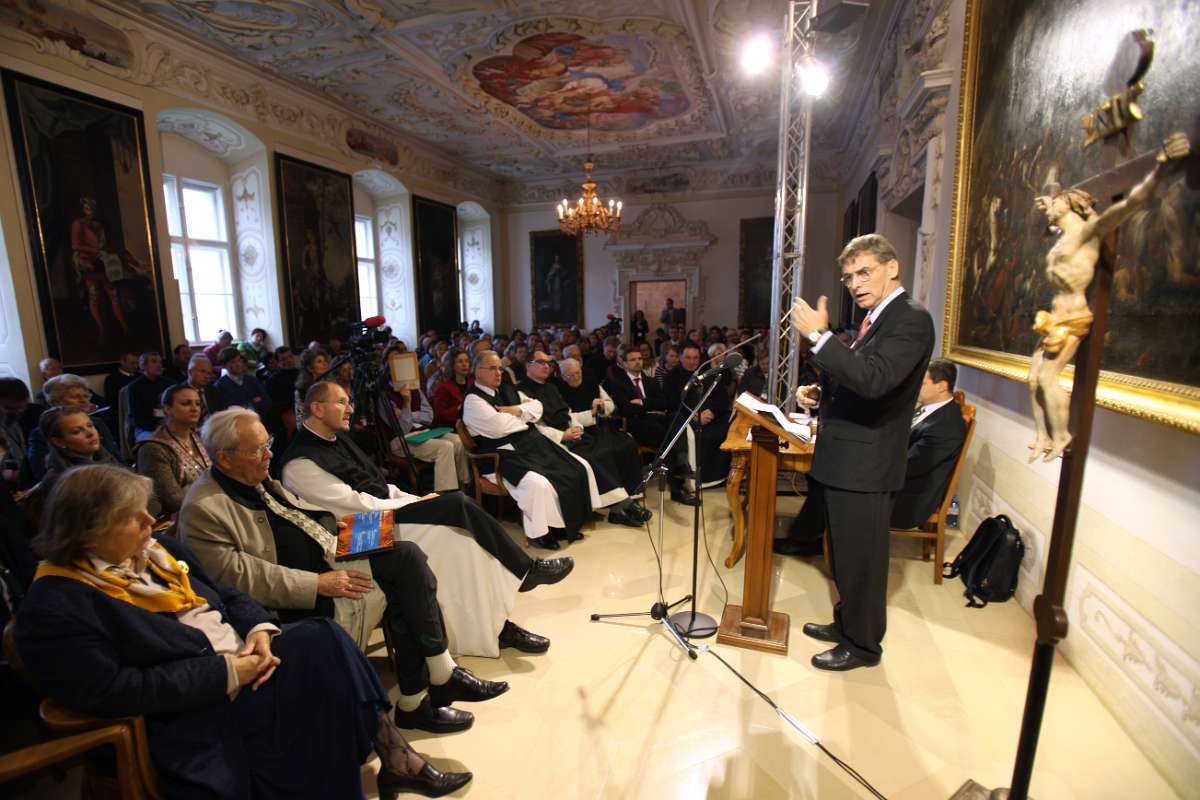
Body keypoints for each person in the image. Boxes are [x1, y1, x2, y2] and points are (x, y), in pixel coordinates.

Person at [17, 464, 471, 798]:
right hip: (197, 707)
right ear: (88, 532)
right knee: (327, 662)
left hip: (244, 659)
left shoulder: (155, 552)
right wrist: (229, 672)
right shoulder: (57, 606)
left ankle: (394, 757)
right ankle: (394, 757)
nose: (149, 524)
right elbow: (117, 691)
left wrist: (258, 629)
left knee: (324, 639)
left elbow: (227, 594)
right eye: (132, 518)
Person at [178, 410, 511, 734]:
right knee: (404, 575)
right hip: (305, 583)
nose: (269, 455)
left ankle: (432, 681)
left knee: (411, 550)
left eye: (269, 444)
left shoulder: (254, 476)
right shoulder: (204, 508)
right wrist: (316, 583)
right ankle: (424, 692)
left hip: (330, 546)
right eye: (257, 450)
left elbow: (295, 515)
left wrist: (334, 529)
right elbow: (238, 577)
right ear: (224, 459)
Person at [279, 387, 570, 656]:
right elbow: (351, 505)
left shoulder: (338, 439)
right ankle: (523, 572)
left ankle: (496, 625)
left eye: (349, 401)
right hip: (350, 537)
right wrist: (414, 504)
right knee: (456, 505)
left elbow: (377, 486)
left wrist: (413, 498)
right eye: (342, 402)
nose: (351, 409)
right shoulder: (300, 463)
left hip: (373, 518)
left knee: (464, 539)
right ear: (317, 408)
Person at [789, 232, 935, 671]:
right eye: (849, 277)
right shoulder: (877, 318)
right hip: (847, 459)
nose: (855, 284)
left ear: (893, 268)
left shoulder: (910, 319)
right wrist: (822, 392)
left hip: (867, 464)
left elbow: (875, 380)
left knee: (862, 562)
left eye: (864, 272)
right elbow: (860, 377)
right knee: (845, 555)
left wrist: (820, 338)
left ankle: (863, 645)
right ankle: (846, 624)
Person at [777, 358, 967, 553]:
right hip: (895, 479)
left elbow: (911, 466)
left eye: (922, 382)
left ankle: (805, 541)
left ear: (942, 386)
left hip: (906, 498)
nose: (915, 386)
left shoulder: (946, 426)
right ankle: (816, 534)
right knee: (827, 472)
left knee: (835, 479)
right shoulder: (928, 408)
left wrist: (865, 461)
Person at [462, 351, 593, 550]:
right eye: (492, 368)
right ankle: (541, 533)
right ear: (478, 371)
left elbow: (538, 406)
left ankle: (561, 524)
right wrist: (526, 419)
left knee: (572, 468)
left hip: (527, 446)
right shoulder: (473, 400)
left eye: (500, 368)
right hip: (500, 456)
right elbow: (498, 427)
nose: (498, 373)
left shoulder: (506, 390)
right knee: (539, 483)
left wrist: (519, 410)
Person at [519, 354, 649, 527]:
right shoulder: (521, 391)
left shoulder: (551, 387)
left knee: (604, 450)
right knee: (593, 457)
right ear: (528, 366)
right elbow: (535, 427)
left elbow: (567, 413)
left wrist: (577, 427)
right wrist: (562, 435)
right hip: (552, 442)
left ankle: (619, 508)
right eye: (540, 362)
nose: (546, 366)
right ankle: (626, 505)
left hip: (573, 434)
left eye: (548, 363)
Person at [25, 374, 122, 481]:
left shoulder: (97, 423)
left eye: (85, 396)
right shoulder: (40, 434)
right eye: (76, 397)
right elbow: (41, 473)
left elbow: (117, 457)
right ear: (56, 402)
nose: (84, 401)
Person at [663, 342, 732, 490]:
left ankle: (724, 476)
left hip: (711, 416)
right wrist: (695, 415)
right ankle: (696, 477)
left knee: (730, 424)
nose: (692, 361)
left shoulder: (707, 372)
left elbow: (723, 398)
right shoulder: (672, 377)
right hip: (689, 418)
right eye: (688, 357)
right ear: (680, 358)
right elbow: (672, 403)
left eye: (695, 358)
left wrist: (712, 411)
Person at [135, 384, 211, 515]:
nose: (194, 408)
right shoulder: (153, 448)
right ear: (167, 409)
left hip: (210, 505)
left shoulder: (200, 436)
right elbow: (172, 501)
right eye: (186, 403)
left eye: (198, 404)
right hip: (181, 517)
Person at [389, 381, 471, 494]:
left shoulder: (416, 389)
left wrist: (407, 414)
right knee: (445, 446)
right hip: (401, 439)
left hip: (424, 432)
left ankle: (464, 485)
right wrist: (407, 402)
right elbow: (403, 429)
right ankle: (442, 495)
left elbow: (429, 417)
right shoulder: (386, 396)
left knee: (458, 441)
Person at [125, 351, 172, 441]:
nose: (158, 365)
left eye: (160, 362)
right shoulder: (134, 387)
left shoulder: (170, 384)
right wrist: (155, 428)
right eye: (154, 362)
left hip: (169, 424)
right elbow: (135, 417)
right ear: (143, 365)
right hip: (146, 428)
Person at [216, 347, 270, 418]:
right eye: (233, 362)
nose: (238, 364)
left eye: (239, 360)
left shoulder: (252, 379)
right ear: (224, 366)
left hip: (258, 419)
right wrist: (253, 403)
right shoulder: (220, 385)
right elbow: (228, 411)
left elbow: (267, 401)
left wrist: (244, 406)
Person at [430, 348, 471, 428]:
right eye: (460, 361)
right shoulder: (443, 387)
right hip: (450, 427)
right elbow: (439, 415)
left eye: (467, 361)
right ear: (452, 365)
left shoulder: (472, 382)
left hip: (471, 423)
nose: (464, 364)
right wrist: (459, 408)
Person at [186, 353, 224, 421]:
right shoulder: (179, 392)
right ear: (190, 372)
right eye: (202, 371)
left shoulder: (213, 390)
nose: (207, 376)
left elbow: (220, 413)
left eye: (209, 373)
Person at [294, 346, 330, 416]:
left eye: (325, 361)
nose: (325, 364)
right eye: (319, 361)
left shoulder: (330, 385)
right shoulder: (301, 390)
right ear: (310, 368)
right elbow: (300, 416)